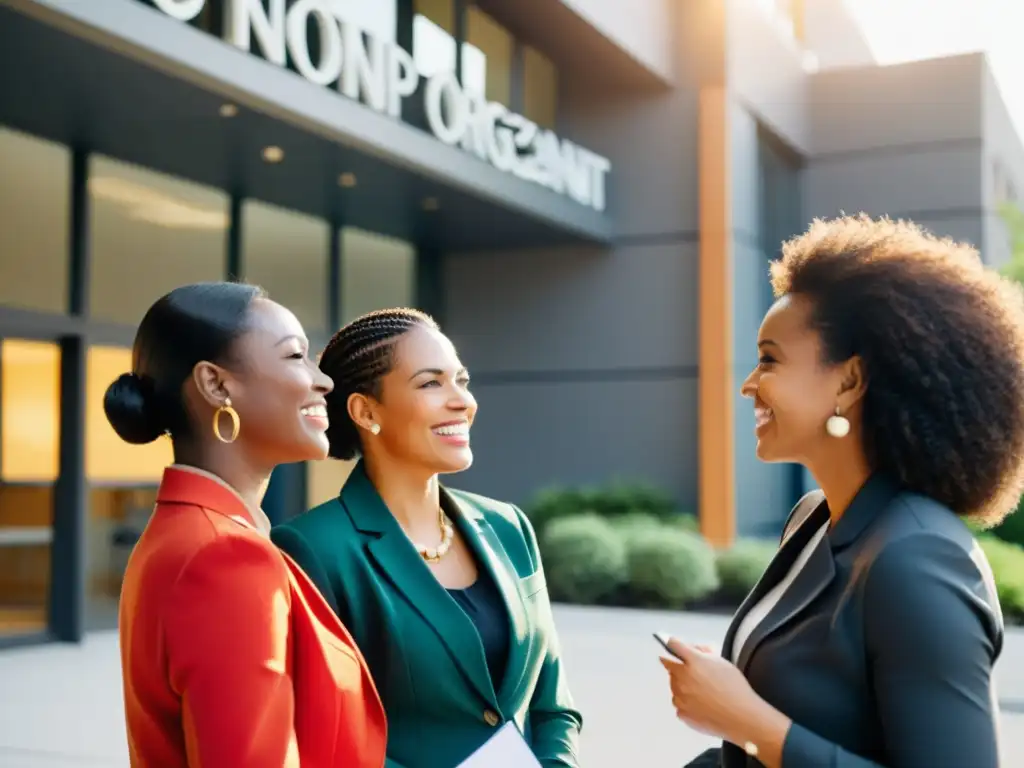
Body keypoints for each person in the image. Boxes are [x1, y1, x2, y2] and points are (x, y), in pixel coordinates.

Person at [661, 215, 1023, 768]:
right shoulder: (814, 518)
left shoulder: (918, 558)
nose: (748, 384)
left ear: (850, 381)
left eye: (769, 359)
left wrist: (747, 721)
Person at [271, 308, 581, 768]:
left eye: (462, 379)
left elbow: (552, 704)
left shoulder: (508, 527)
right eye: (431, 383)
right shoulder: (311, 550)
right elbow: (324, 733)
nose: (462, 401)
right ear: (365, 410)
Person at [107, 282, 387, 768]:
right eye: (296, 356)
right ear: (217, 385)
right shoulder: (223, 557)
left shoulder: (192, 534)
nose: (323, 382)